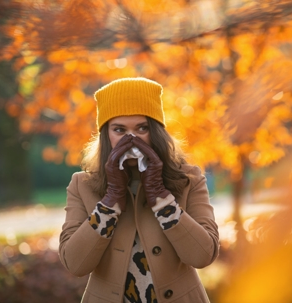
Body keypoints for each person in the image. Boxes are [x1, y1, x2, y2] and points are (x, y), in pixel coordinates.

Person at [59, 77, 220, 303]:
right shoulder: (82, 185)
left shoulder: (189, 179)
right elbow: (75, 264)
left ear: (155, 132)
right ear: (106, 135)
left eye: (142, 128)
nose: (131, 139)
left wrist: (161, 198)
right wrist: (110, 200)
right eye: (119, 129)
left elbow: (203, 256)